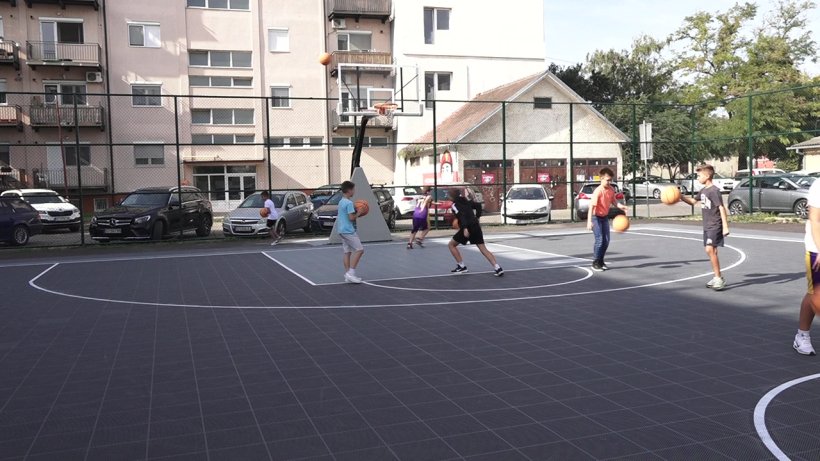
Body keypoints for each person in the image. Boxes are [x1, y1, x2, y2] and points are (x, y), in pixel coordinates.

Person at [680, 164, 730, 290]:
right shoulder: (703, 190)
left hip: (715, 225)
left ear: (707, 176)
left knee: (709, 250)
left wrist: (725, 226)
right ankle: (717, 276)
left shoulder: (714, 191)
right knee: (713, 251)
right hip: (707, 226)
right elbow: (693, 202)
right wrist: (680, 196)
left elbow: (721, 208)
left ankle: (718, 278)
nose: (697, 178)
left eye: (699, 176)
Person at [448, 187, 503, 276]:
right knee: (483, 249)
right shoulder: (466, 201)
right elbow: (478, 206)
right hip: (475, 226)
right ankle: (497, 268)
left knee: (451, 245)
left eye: (448, 195)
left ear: (451, 196)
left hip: (467, 228)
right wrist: (477, 217)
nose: (448, 196)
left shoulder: (455, 205)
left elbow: (462, 216)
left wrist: (465, 228)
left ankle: (462, 266)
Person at [793, 177, 820, 355]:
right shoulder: (819, 185)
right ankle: (802, 336)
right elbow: (815, 219)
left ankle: (801, 335)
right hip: (816, 249)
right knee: (816, 294)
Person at [586, 167, 628, 271]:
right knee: (600, 240)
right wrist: (589, 221)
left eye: (610, 180)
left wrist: (621, 206)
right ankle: (595, 262)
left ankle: (601, 261)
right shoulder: (598, 191)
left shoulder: (611, 189)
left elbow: (614, 201)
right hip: (596, 218)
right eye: (607, 180)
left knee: (606, 240)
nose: (609, 182)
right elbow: (591, 207)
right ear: (601, 179)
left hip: (604, 217)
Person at [337, 181, 364, 284]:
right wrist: (359, 213)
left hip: (341, 229)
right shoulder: (349, 203)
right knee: (360, 250)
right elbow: (351, 218)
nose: (354, 191)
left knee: (347, 252)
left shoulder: (341, 201)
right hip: (348, 230)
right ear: (349, 190)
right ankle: (350, 273)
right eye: (353, 189)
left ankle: (347, 275)